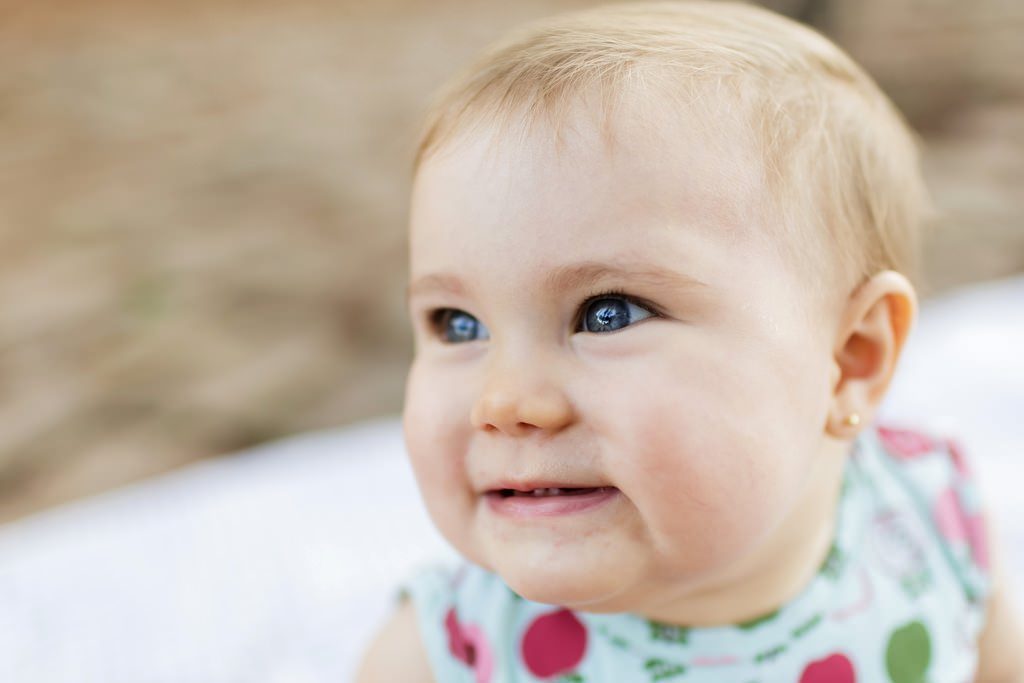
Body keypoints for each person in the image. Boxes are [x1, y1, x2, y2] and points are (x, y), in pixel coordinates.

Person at [358, 2, 1024, 680]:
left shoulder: (930, 525)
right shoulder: (447, 656)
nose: (503, 400)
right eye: (457, 323)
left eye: (608, 312)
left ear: (852, 357)